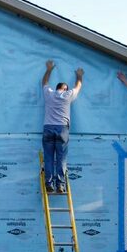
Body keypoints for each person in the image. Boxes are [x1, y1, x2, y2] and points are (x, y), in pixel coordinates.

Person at [41, 60, 84, 193]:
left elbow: (44, 82)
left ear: (57, 88)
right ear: (65, 89)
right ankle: (60, 184)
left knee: (48, 157)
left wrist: (49, 69)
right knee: (61, 158)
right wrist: (79, 76)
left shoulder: (49, 93)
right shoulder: (68, 95)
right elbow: (78, 86)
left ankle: (49, 184)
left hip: (48, 128)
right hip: (62, 129)